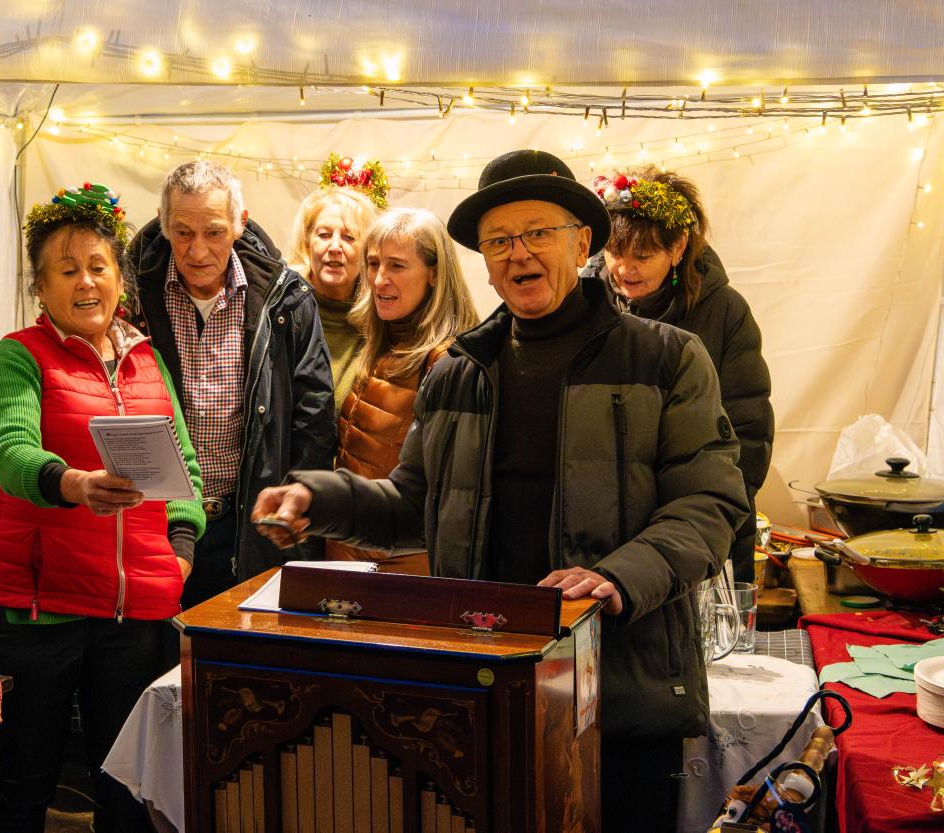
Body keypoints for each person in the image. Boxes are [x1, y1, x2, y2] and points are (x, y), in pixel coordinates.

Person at [252, 150, 749, 833]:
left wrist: (617, 576)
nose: (519, 253)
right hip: (483, 685)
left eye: (538, 232)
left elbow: (709, 504)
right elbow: (413, 506)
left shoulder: (665, 358)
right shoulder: (459, 371)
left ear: (582, 241)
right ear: (484, 262)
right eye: (499, 240)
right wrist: (321, 499)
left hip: (619, 689)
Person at [0, 183, 208, 833]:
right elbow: (13, 452)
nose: (85, 282)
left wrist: (181, 552)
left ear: (120, 279)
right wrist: (73, 483)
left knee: (129, 791)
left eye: (98, 266)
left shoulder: (147, 361)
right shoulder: (17, 357)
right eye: (67, 269)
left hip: (136, 609)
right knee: (26, 781)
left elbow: (185, 471)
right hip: (39, 604)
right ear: (40, 287)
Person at [129, 160, 335, 609]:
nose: (197, 250)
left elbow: (314, 417)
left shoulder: (286, 298)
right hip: (154, 524)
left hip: (247, 521)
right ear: (163, 223)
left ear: (240, 223)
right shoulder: (133, 296)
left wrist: (294, 505)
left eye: (214, 232)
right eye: (182, 232)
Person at [582, 168, 774, 583]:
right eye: (615, 252)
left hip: (700, 529)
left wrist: (715, 515)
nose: (625, 269)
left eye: (643, 256)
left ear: (678, 246)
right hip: (601, 532)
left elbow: (749, 428)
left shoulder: (723, 311)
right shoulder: (583, 304)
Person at [330, 207, 479, 573]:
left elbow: (449, 496)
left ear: (434, 274)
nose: (379, 279)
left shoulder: (448, 361)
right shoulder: (382, 344)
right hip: (347, 556)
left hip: (400, 570)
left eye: (397, 266)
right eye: (373, 263)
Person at [288, 186, 380, 411]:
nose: (335, 247)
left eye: (349, 237)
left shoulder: (380, 317)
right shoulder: (282, 307)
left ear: (367, 251)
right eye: (324, 235)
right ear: (307, 242)